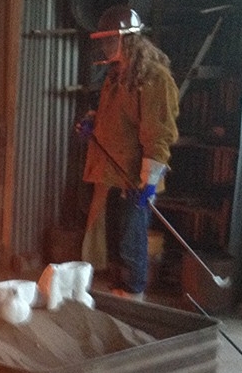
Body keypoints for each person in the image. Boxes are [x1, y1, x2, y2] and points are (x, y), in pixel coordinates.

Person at [77, 5, 179, 301]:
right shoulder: (117, 74)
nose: (105, 46)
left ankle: (134, 296)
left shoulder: (154, 78)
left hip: (136, 175)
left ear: (128, 39)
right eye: (103, 40)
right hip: (114, 171)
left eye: (110, 40)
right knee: (117, 240)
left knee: (133, 241)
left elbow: (158, 134)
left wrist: (148, 182)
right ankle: (123, 289)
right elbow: (117, 117)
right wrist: (92, 121)